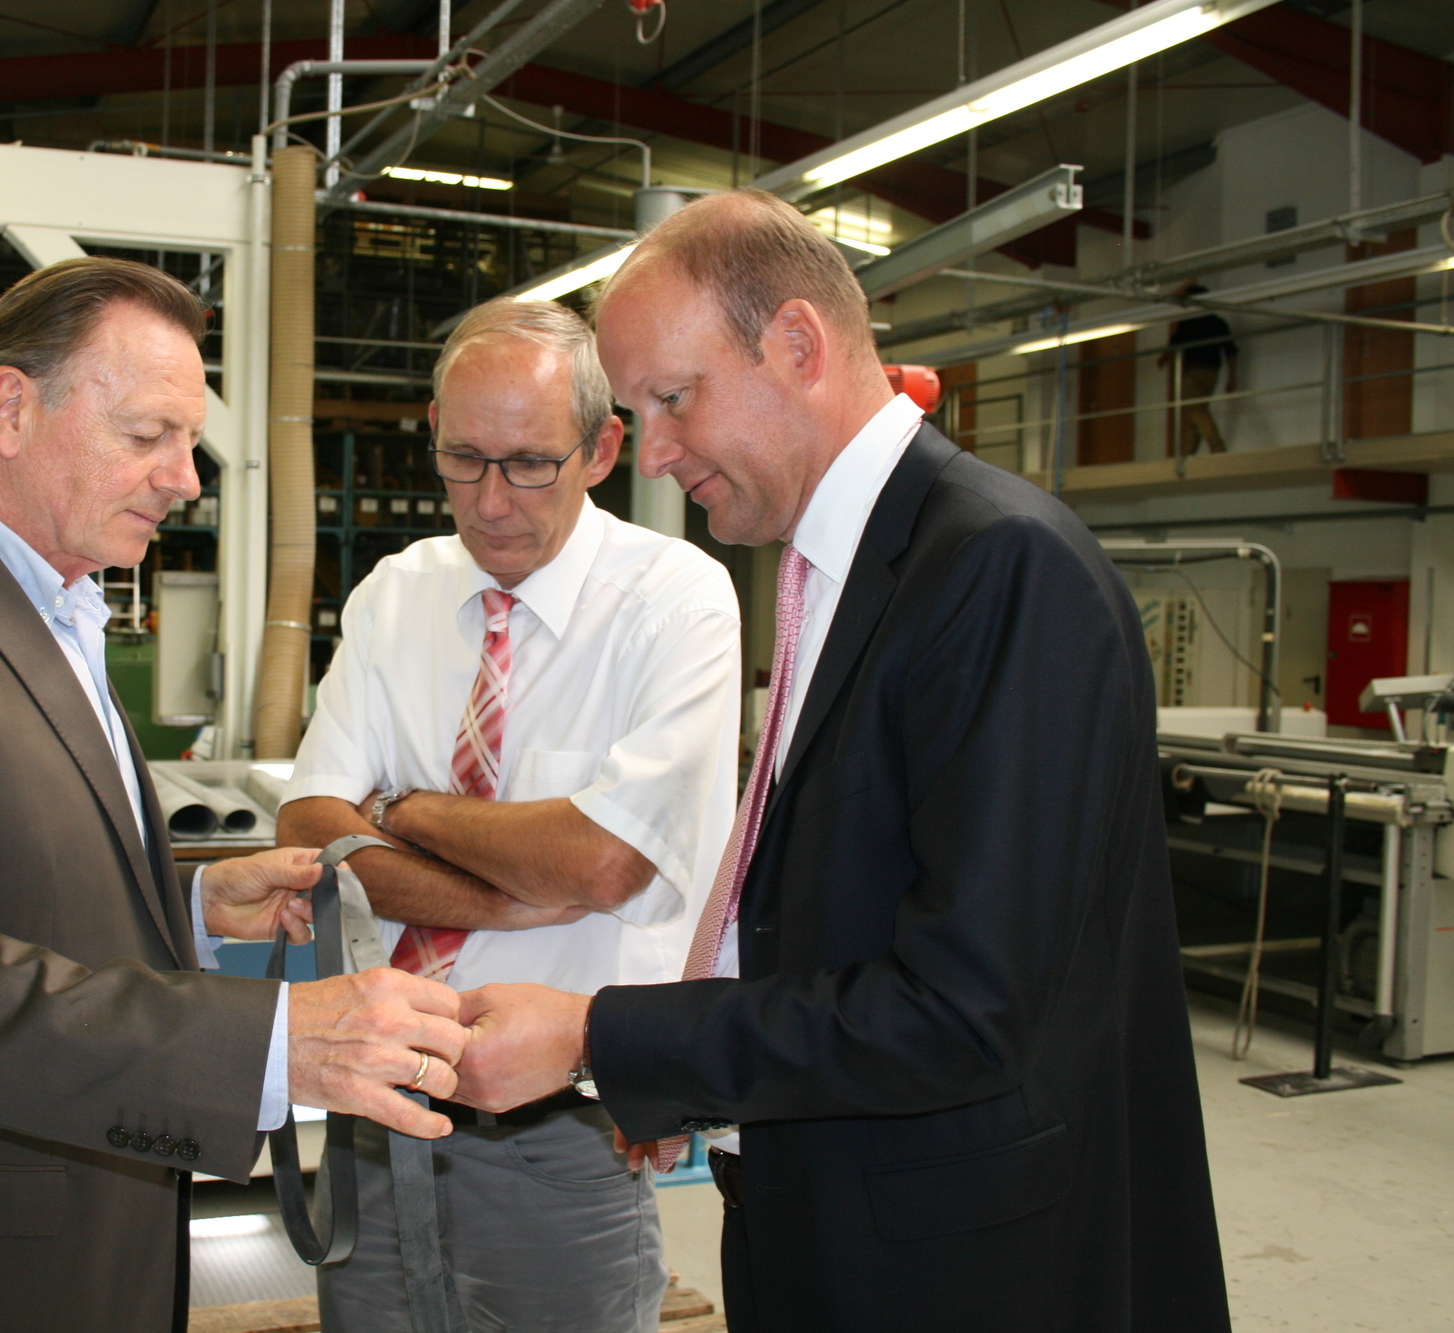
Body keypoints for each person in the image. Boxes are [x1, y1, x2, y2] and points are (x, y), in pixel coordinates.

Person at [453, 192, 1231, 1333]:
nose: (654, 455)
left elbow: (962, 1008)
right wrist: (696, 1079)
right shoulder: (840, 569)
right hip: (830, 1215)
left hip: (959, 1265)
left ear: (799, 347)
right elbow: (825, 907)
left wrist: (599, 1036)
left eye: (673, 399)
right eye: (637, 410)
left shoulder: (994, 569)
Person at [0, 257, 468, 1333]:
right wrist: (266, 1042)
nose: (185, 479)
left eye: (187, 441)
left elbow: (10, 885)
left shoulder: (54, 606)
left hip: (67, 1236)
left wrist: (187, 916)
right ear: (12, 409)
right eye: (145, 435)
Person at [276, 298, 741, 1333]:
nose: (488, 501)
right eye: (462, 457)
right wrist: (514, 888)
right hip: (376, 1090)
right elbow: (308, 825)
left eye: (528, 462)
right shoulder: (396, 594)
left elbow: (606, 862)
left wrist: (399, 809)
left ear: (601, 447)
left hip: (564, 1121)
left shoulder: (675, 604)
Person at [1159, 283, 1239, 457]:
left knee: (1196, 410)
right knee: (1193, 411)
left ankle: (1217, 447)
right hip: (1212, 372)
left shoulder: (1188, 322)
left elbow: (1174, 344)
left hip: (1193, 371)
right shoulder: (1218, 322)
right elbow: (1230, 351)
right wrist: (1232, 376)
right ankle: (1187, 454)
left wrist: (1164, 358)